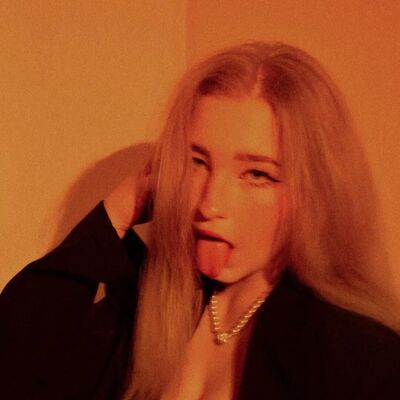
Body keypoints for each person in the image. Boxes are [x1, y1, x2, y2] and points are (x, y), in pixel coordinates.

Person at [1, 42, 400, 400]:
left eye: (257, 174)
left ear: (317, 193)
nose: (210, 204)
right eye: (196, 162)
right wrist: (118, 211)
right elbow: (14, 367)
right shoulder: (144, 313)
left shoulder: (359, 359)